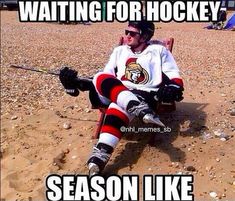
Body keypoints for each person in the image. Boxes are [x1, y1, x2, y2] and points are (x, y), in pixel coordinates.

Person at [59, 19, 184, 176]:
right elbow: (107, 76)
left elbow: (173, 74)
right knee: (100, 76)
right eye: (126, 32)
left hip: (144, 93)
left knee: (117, 105)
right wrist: (74, 83)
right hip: (117, 91)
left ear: (145, 36)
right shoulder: (120, 51)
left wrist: (173, 88)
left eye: (132, 33)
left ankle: (100, 155)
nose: (127, 36)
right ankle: (131, 105)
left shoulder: (159, 51)